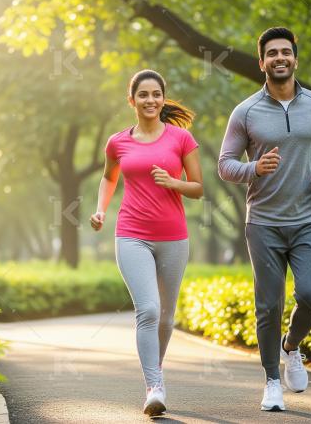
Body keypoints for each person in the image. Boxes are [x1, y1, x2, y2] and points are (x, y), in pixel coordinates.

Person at [217, 27, 311, 412]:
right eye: (272, 53)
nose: (280, 58)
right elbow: (225, 165)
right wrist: (255, 167)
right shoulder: (246, 111)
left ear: (295, 58)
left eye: (285, 51)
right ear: (262, 63)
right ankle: (272, 381)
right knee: (268, 306)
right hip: (264, 224)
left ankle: (292, 345)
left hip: (308, 219)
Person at [90, 69, 203, 416]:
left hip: (173, 236)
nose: (150, 100)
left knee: (167, 318)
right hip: (131, 234)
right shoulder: (117, 142)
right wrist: (100, 211)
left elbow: (198, 188)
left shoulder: (181, 139)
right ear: (132, 100)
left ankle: (156, 371)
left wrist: (173, 182)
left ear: (163, 98)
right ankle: (154, 385)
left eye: (156, 94)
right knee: (149, 310)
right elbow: (109, 179)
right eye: (143, 95)